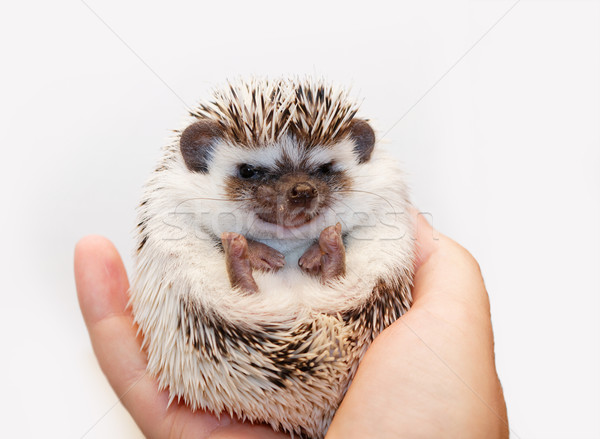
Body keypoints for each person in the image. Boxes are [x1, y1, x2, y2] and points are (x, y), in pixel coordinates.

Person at [74, 211, 509, 438]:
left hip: (305, 334)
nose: (291, 197)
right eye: (249, 173)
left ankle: (259, 286)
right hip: (258, 337)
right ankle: (279, 284)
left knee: (345, 299)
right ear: (199, 155)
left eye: (319, 172)